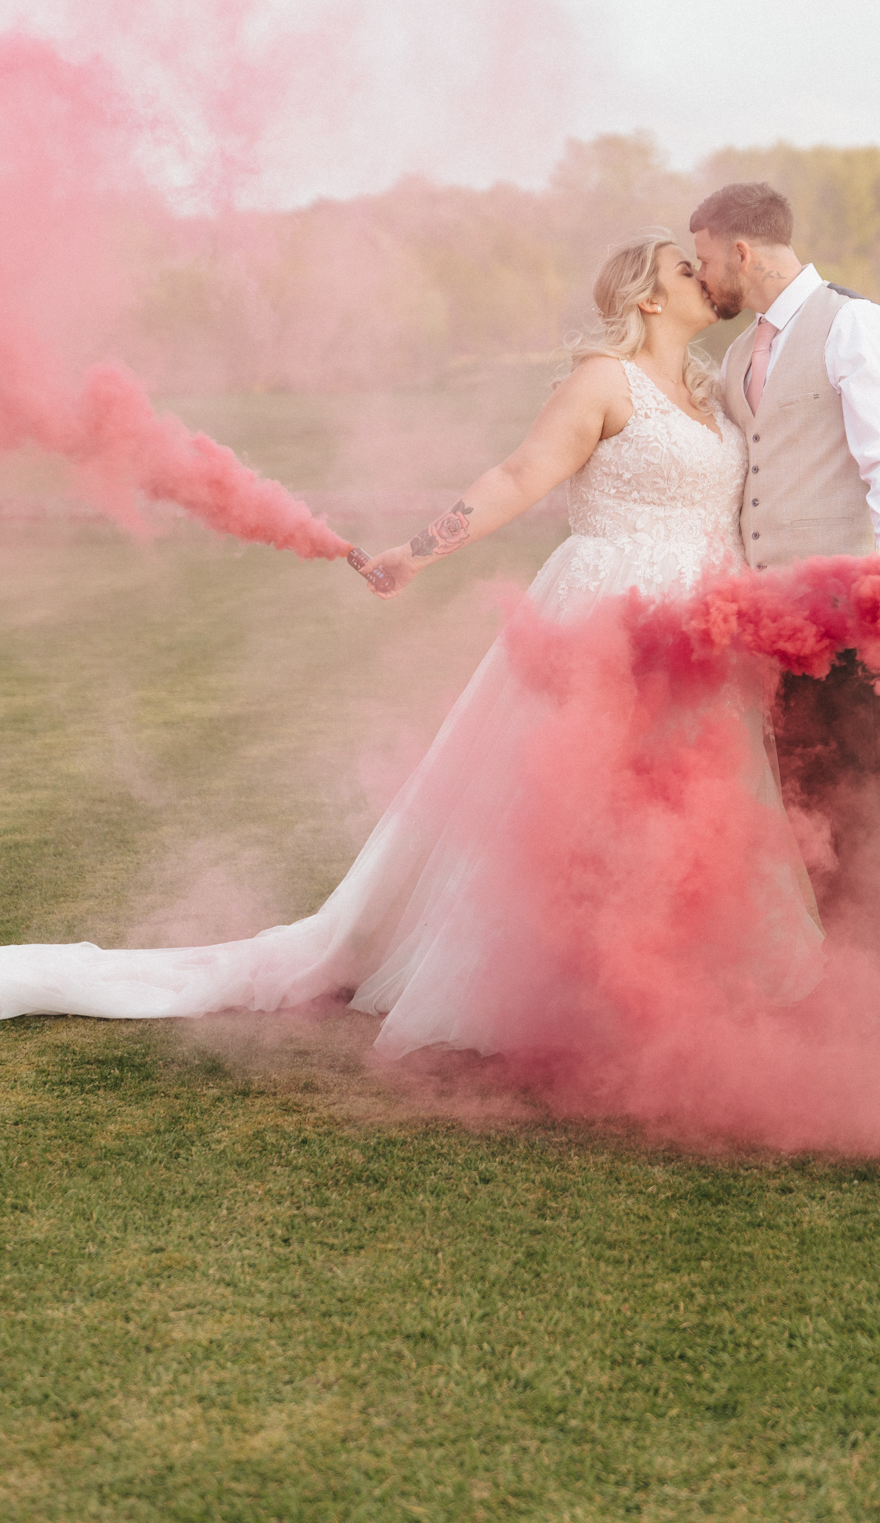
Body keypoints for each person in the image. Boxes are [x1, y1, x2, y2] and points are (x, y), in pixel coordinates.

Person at [0, 233, 823, 1051]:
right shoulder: (604, 383)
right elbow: (515, 477)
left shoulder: (715, 391)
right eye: (689, 269)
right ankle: (567, 984)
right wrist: (420, 552)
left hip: (703, 622)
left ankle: (691, 970)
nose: (707, 277)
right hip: (611, 610)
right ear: (649, 297)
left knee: (699, 795)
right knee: (597, 798)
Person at [689, 181, 880, 1006]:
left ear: (740, 250)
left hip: (846, 616)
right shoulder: (734, 357)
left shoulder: (852, 323)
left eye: (706, 258)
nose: (701, 275)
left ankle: (875, 1002)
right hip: (772, 628)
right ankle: (844, 982)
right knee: (805, 813)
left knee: (861, 811)